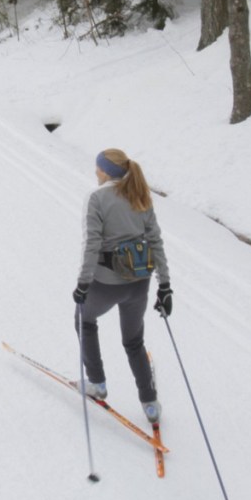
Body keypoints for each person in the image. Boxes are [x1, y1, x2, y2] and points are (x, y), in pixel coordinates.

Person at [72, 148, 173, 422]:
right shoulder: (140, 195)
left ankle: (97, 384)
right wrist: (164, 286)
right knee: (133, 341)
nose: (95, 172)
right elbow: (156, 241)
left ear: (106, 171)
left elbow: (92, 243)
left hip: (105, 283)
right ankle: (150, 404)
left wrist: (83, 283)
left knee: (84, 320)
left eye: (98, 168)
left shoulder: (96, 198)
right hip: (139, 284)